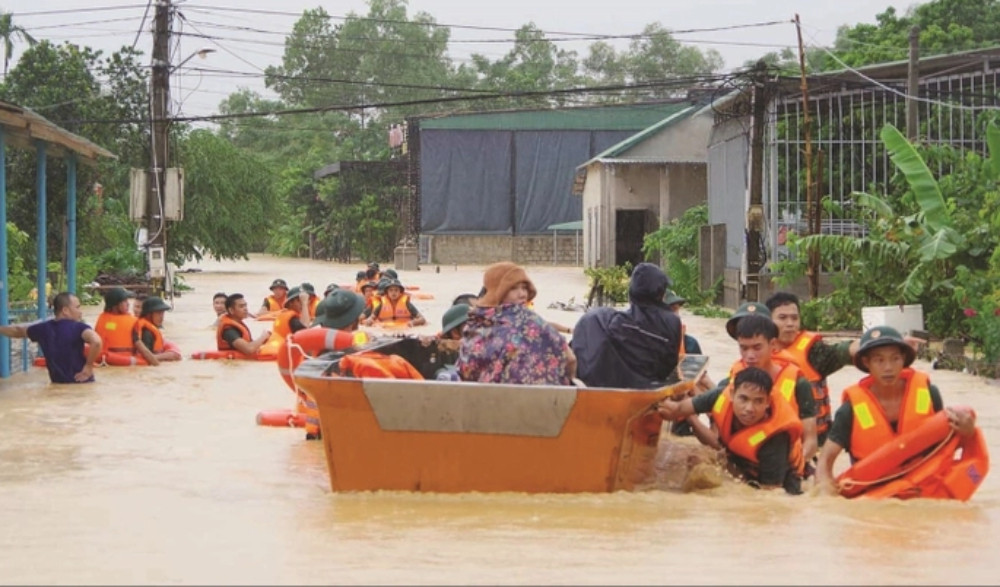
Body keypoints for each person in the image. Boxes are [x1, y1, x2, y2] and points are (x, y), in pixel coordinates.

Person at [815, 325, 978, 495]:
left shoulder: (929, 394)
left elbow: (946, 444)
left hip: (925, 492)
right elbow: (825, 460)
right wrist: (824, 492)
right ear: (866, 362)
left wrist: (968, 432)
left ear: (904, 360)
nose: (888, 367)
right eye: (879, 360)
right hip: (875, 498)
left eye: (895, 359)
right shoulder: (850, 410)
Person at [764, 291, 924, 449]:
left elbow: (845, 350)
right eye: (782, 318)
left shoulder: (813, 352)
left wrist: (889, 343)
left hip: (814, 440)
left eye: (794, 318)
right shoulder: (756, 351)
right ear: (767, 321)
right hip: (773, 438)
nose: (790, 323)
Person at [658, 312, 819, 463]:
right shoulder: (731, 384)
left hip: (781, 466)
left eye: (757, 348)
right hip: (742, 463)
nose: (749, 355)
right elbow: (716, 441)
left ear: (773, 345)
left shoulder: (799, 383)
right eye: (744, 348)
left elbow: (811, 441)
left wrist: (793, 464)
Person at [687, 366, 804, 494]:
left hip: (782, 484)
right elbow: (677, 408)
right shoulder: (722, 397)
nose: (749, 408)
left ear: (768, 402)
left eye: (758, 401)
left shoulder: (774, 439)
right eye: (743, 399)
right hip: (745, 467)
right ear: (732, 395)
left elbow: (770, 495)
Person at [457, 262, 575, 385]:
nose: (522, 294)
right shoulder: (528, 320)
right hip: (536, 400)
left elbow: (465, 370)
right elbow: (570, 359)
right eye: (513, 288)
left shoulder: (474, 322)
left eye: (524, 288)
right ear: (498, 290)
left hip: (483, 399)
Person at [570, 262, 681, 389]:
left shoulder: (604, 321)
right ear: (661, 294)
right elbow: (668, 366)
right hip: (649, 388)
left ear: (631, 294)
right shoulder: (672, 321)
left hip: (605, 388)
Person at [0, 292, 102, 383]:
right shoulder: (79, 327)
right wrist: (88, 366)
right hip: (82, 382)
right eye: (77, 307)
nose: (80, 312)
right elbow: (96, 341)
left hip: (58, 383)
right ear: (65, 310)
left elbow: (17, 330)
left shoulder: (43, 329)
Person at [133, 296, 182, 366]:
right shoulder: (146, 333)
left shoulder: (151, 330)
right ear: (149, 315)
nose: (162, 317)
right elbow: (144, 358)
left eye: (162, 313)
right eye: (159, 313)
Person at [362, 279, 427, 327]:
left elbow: (422, 319)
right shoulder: (381, 305)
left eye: (396, 290)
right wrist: (369, 321)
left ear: (400, 292)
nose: (393, 293)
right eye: (391, 290)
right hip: (386, 330)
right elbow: (372, 317)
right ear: (387, 292)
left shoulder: (407, 304)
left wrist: (413, 322)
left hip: (403, 330)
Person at [94, 286, 138, 356]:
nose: (128, 304)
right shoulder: (134, 321)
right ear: (115, 306)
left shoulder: (102, 318)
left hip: (107, 359)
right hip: (124, 360)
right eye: (125, 301)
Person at [664, 290, 703, 355]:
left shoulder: (690, 344)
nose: (673, 314)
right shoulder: (646, 342)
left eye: (675, 309)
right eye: (668, 309)